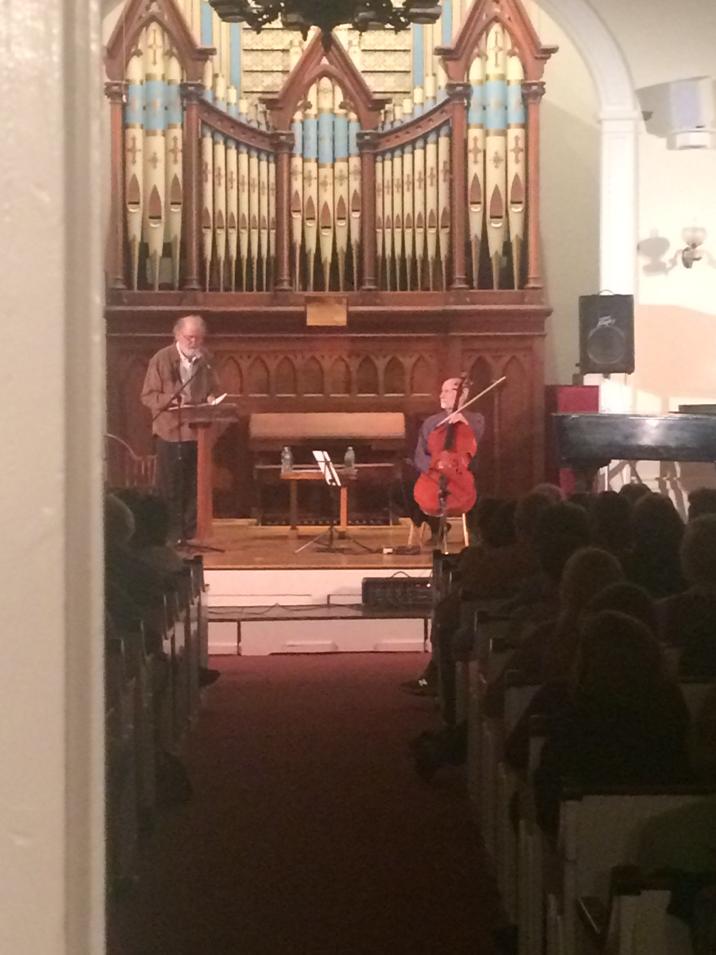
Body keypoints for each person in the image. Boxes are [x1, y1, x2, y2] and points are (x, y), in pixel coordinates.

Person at [141, 315, 221, 541]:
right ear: (177, 335)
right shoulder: (162, 359)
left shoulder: (206, 359)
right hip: (170, 431)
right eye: (189, 337)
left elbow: (214, 386)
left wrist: (212, 396)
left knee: (194, 486)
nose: (194, 342)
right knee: (170, 487)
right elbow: (148, 396)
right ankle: (170, 534)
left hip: (198, 433)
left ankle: (192, 532)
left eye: (198, 337)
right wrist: (173, 401)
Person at [406, 377, 485, 541]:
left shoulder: (475, 419)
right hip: (433, 471)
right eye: (442, 391)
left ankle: (475, 534)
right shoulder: (432, 422)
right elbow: (420, 453)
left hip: (460, 473)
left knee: (482, 486)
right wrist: (433, 468)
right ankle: (435, 527)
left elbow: (474, 444)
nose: (442, 395)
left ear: (462, 394)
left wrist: (464, 423)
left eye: (447, 391)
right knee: (406, 489)